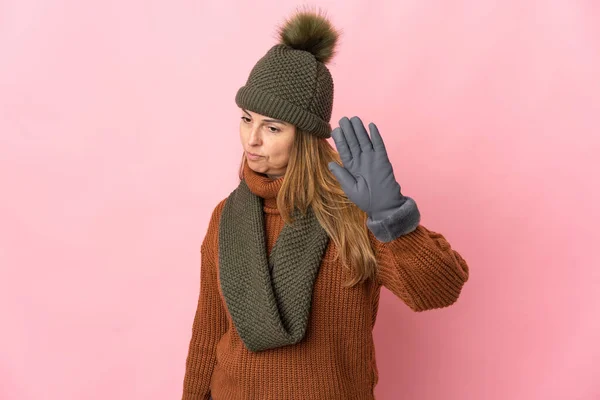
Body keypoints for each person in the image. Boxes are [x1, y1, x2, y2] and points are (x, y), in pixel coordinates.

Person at [182, 8, 469, 400]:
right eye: (247, 119)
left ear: (305, 136)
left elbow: (440, 289)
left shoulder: (352, 212)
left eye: (272, 127)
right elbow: (207, 333)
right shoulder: (226, 217)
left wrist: (391, 215)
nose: (252, 140)